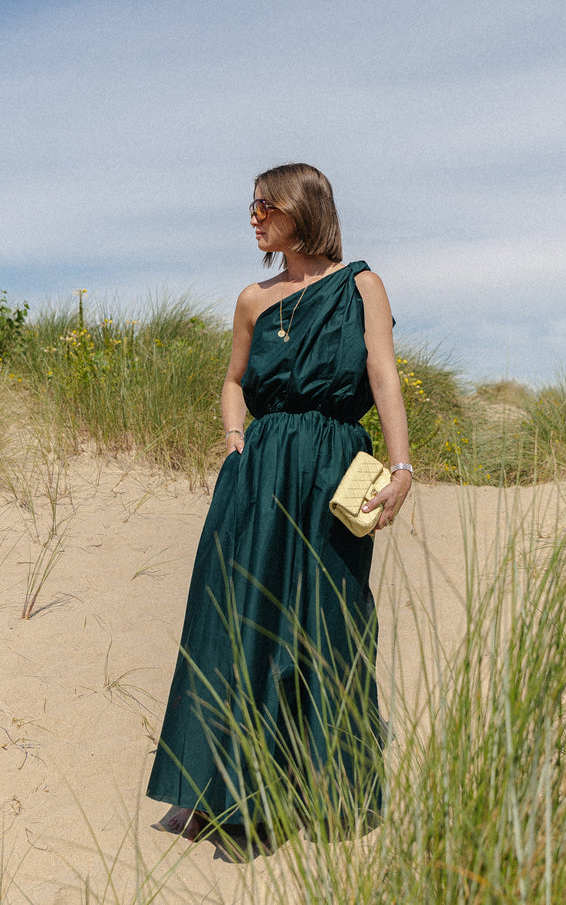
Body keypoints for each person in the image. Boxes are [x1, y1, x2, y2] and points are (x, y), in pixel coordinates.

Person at [145, 162, 413, 857]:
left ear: (303, 207)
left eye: (267, 205)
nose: (255, 216)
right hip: (258, 473)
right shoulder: (251, 299)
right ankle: (218, 790)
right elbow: (233, 380)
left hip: (330, 466)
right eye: (252, 206)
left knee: (329, 621)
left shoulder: (360, 283)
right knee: (239, 617)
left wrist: (402, 465)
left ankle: (325, 791)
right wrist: (235, 440)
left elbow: (382, 372)